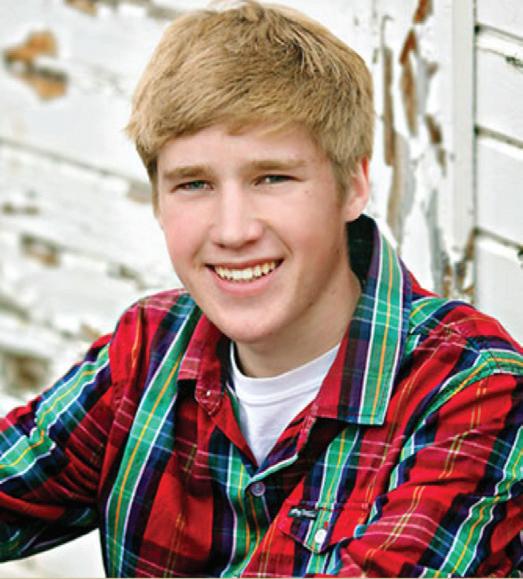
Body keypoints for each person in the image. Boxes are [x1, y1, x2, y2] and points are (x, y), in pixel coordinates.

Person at [1, 1, 522, 577]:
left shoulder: (471, 389)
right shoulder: (149, 348)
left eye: (272, 178)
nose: (233, 231)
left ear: (353, 186)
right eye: (193, 184)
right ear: (157, 202)